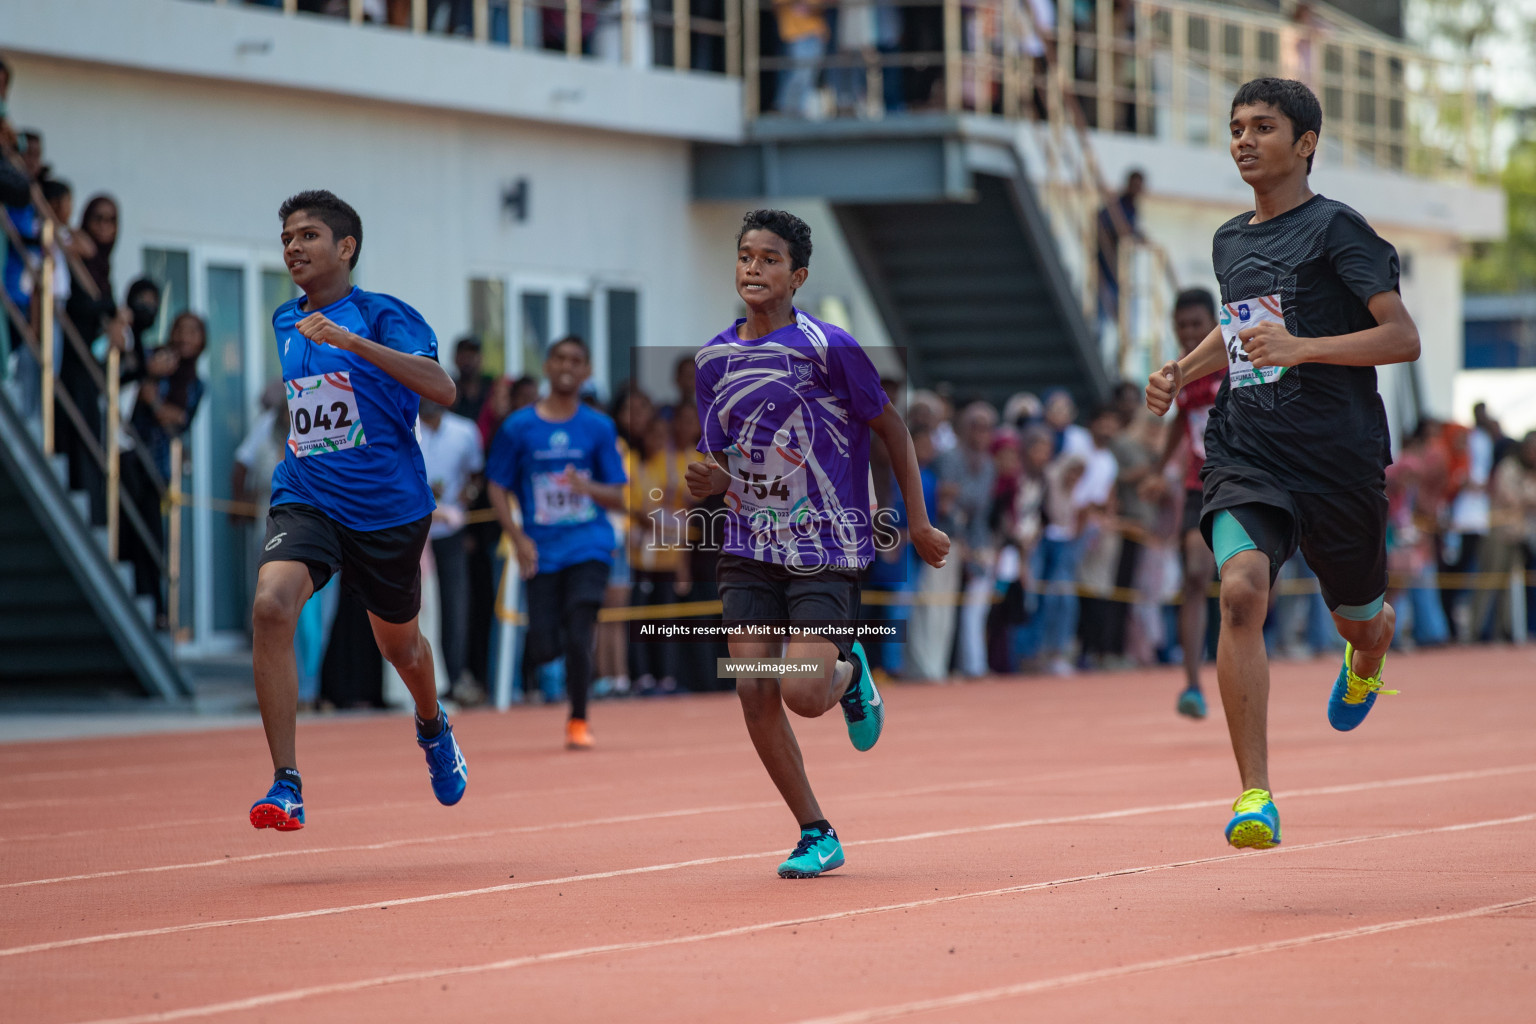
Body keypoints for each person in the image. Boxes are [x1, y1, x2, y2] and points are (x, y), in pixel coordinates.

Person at [1145, 78, 1420, 851]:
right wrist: (1180, 368)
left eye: (1262, 127)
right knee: (1240, 593)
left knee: (1359, 621)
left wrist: (1304, 348)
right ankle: (1254, 795)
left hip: (1339, 459)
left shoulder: (1342, 231)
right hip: (1249, 447)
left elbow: (1403, 339)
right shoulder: (1230, 241)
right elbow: (1240, 330)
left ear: (1304, 144)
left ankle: (1367, 652)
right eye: (1235, 127)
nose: (1243, 140)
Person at [687, 209, 949, 879]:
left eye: (769, 259)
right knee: (752, 688)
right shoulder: (713, 360)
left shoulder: (830, 348)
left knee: (803, 693)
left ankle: (847, 670)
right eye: (745, 255)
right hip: (747, 542)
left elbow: (891, 431)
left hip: (825, 545)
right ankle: (815, 831)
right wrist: (704, 481)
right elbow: (716, 460)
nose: (753, 268)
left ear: (798, 275)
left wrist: (915, 521)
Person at [248, 190, 467, 832]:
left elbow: (442, 390)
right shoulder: (285, 320)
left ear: (345, 248)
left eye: (308, 235)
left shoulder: (384, 315)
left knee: (400, 648)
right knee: (270, 606)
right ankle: (286, 782)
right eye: (286, 237)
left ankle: (433, 725)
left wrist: (352, 343)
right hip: (308, 495)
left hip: (388, 511)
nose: (293, 247)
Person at [486, 335, 627, 748]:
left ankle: (578, 720)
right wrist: (517, 537)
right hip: (541, 548)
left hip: (589, 544)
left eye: (577, 360)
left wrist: (586, 486)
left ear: (587, 371)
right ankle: (557, 672)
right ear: (548, 366)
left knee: (581, 626)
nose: (568, 366)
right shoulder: (518, 427)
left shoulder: (598, 427)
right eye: (560, 358)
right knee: (545, 642)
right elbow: (496, 486)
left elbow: (619, 494)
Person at [1152, 288, 1222, 718]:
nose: (1189, 333)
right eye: (1182, 326)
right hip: (1200, 486)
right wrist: (1158, 470)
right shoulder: (1178, 374)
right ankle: (1193, 685)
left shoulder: (1234, 362)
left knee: (1251, 592)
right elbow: (1181, 420)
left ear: (1213, 323)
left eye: (1197, 324)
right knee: (1195, 577)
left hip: (1245, 483)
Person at [418, 398, 485, 698]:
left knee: (455, 607)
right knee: (420, 609)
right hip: (414, 534)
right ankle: (421, 681)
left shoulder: (465, 431)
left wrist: (465, 499)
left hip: (450, 529)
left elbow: (475, 476)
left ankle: (453, 677)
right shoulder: (405, 425)